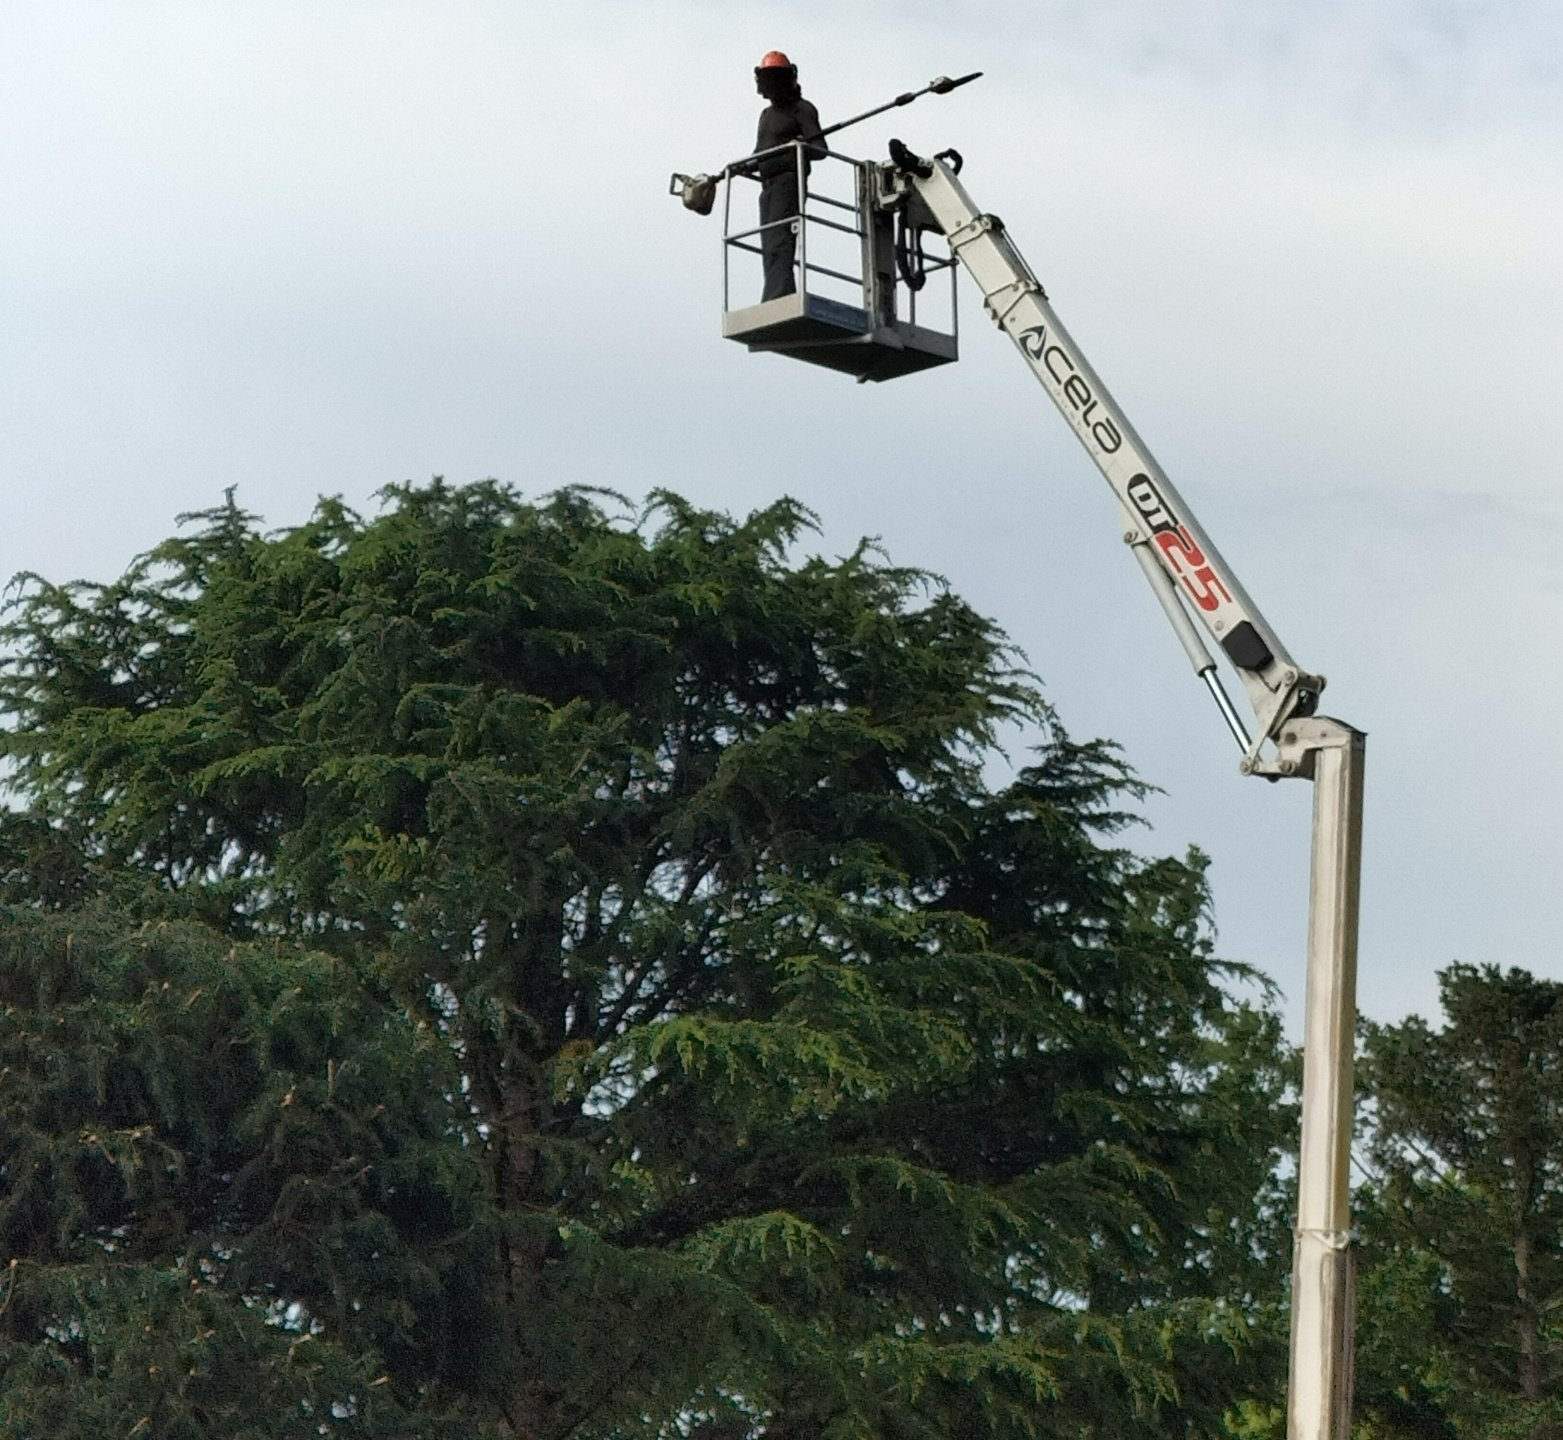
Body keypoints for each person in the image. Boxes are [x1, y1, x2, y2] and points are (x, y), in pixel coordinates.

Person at [752, 51, 826, 302]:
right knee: (769, 241)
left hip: (788, 181)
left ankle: (778, 295)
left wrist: (800, 147)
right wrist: (740, 167)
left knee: (781, 239)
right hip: (768, 184)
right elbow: (759, 153)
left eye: (776, 78)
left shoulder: (802, 110)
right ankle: (776, 292)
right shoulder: (766, 116)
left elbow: (820, 150)